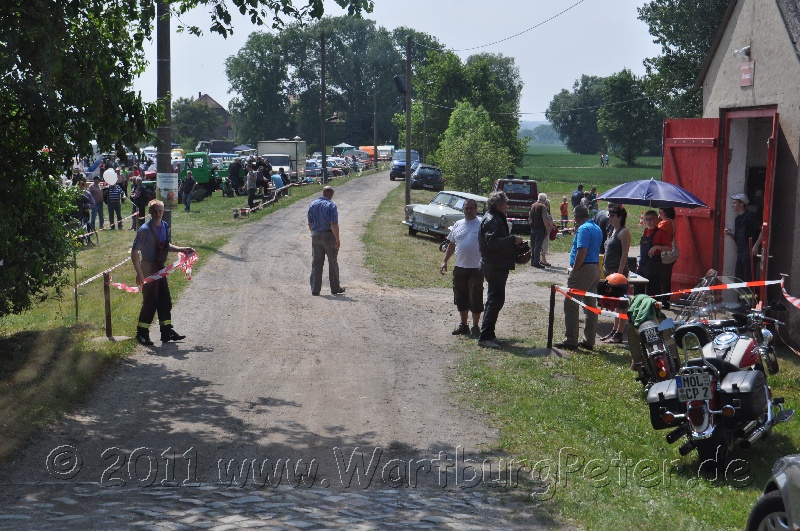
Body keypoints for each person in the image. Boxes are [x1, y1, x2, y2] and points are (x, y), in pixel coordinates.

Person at [131, 199, 195, 346]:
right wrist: (140, 274)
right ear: (149, 212)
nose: (158, 213)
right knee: (150, 302)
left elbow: (166, 246)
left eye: (160, 211)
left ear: (163, 211)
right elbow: (134, 253)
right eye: (154, 211)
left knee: (165, 300)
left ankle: (166, 331)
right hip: (148, 268)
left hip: (160, 268)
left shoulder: (165, 226)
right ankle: (142, 334)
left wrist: (182, 249)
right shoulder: (144, 230)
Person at [477, 191, 524, 349]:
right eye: (505, 203)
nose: (507, 205)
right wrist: (512, 239)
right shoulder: (491, 220)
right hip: (494, 265)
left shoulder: (495, 218)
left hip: (497, 264)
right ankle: (485, 337)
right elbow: (492, 243)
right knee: (494, 300)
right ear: (498, 205)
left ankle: (489, 334)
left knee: (496, 300)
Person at [555, 204, 603, 351]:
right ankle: (589, 340)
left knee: (571, 304)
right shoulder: (596, 228)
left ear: (576, 218)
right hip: (595, 268)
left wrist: (575, 269)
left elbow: (582, 251)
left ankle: (571, 339)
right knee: (590, 306)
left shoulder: (584, 229)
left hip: (583, 269)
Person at [440, 199, 483, 338]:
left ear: (476, 209)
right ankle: (464, 325)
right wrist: (444, 261)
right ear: (463, 209)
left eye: (471, 208)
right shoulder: (458, 224)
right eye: (466, 208)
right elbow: (452, 244)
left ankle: (476, 326)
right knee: (460, 296)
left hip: (476, 267)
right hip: (460, 267)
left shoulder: (481, 224)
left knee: (475, 296)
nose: (469, 210)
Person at [599, 206, 631, 344]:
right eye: (609, 214)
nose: (610, 217)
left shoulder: (624, 232)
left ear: (619, 217)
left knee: (622, 304)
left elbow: (625, 254)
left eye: (612, 215)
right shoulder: (612, 230)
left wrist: (619, 273)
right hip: (609, 271)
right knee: (615, 304)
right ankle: (614, 330)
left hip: (618, 273)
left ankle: (619, 333)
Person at [307, 186, 345, 296]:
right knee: (332, 261)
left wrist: (314, 233)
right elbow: (333, 224)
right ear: (331, 195)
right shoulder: (331, 205)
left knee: (316, 263)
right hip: (328, 236)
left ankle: (315, 288)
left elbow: (310, 223)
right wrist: (337, 240)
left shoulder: (313, 204)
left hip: (316, 234)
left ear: (323, 193)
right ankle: (335, 288)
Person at [724, 194, 762, 281]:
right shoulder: (737, 219)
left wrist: (756, 246)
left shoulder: (750, 216)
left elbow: (763, 230)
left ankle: (750, 294)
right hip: (740, 251)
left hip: (749, 250)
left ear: (741, 204)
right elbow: (738, 239)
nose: (732, 205)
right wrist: (730, 234)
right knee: (739, 276)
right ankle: (741, 295)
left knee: (748, 276)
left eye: (734, 203)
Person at [638, 210, 670, 296]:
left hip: (654, 265)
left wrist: (656, 247)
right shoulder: (645, 231)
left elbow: (669, 247)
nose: (649, 221)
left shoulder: (660, 232)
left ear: (656, 220)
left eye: (651, 219)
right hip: (643, 263)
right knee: (639, 287)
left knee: (652, 289)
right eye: (646, 219)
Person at [657, 207, 677, 308]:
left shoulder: (665, 223)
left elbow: (655, 231)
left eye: (660, 210)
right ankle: (665, 301)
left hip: (665, 253)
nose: (659, 212)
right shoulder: (670, 222)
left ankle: (664, 301)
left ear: (665, 211)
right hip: (670, 253)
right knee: (666, 278)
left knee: (663, 279)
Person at [528, 192, 548, 269]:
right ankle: (536, 262)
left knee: (533, 245)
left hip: (533, 228)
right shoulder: (543, 207)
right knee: (538, 246)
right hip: (540, 228)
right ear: (544, 199)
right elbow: (544, 219)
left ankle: (533, 261)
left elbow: (530, 217)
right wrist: (546, 229)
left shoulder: (533, 205)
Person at [540, 198, 556, 267]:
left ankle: (542, 259)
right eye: (546, 204)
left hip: (546, 230)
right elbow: (548, 221)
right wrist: (553, 227)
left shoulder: (546, 212)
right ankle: (544, 260)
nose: (547, 206)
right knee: (545, 245)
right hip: (546, 231)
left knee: (543, 245)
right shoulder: (545, 212)